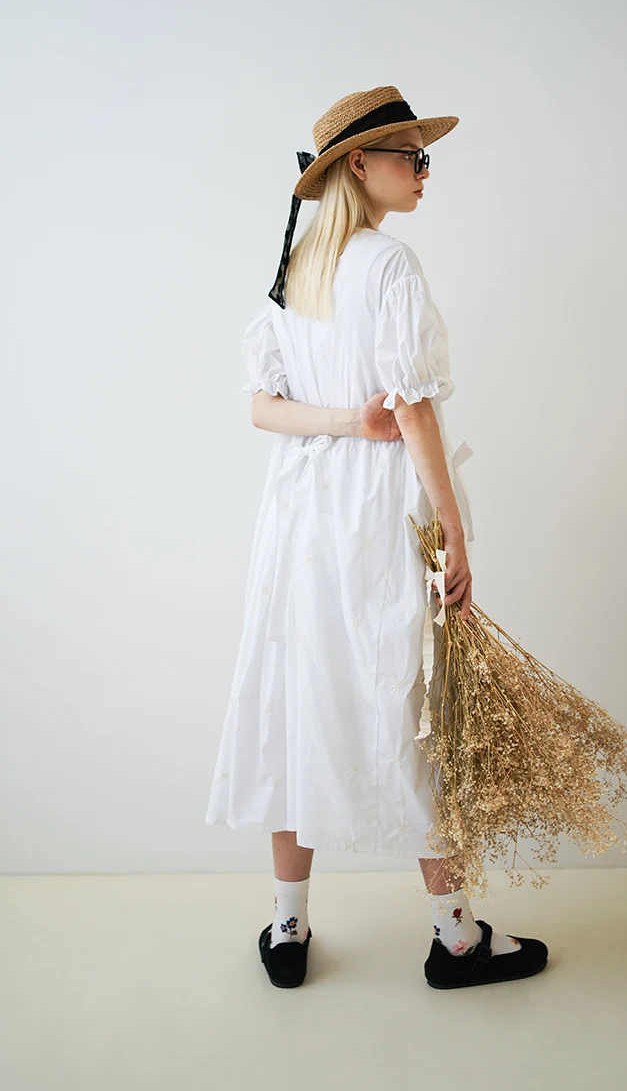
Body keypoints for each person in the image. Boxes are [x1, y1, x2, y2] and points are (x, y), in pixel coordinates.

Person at [205, 86, 548, 990]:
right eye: (412, 156)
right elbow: (414, 408)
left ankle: (287, 928)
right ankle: (456, 938)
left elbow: (264, 407)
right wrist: (452, 531)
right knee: (417, 704)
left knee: (296, 697)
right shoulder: (389, 264)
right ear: (360, 164)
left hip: (298, 519)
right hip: (375, 514)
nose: (425, 172)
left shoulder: (296, 270)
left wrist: (341, 424)